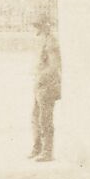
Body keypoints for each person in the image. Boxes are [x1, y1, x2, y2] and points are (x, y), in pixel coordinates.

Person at [29, 13, 62, 162]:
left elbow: (54, 67)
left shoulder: (51, 42)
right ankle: (38, 148)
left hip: (47, 86)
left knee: (45, 119)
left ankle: (47, 151)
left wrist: (41, 77)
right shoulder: (42, 40)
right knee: (36, 117)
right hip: (40, 84)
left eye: (36, 25)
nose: (34, 29)